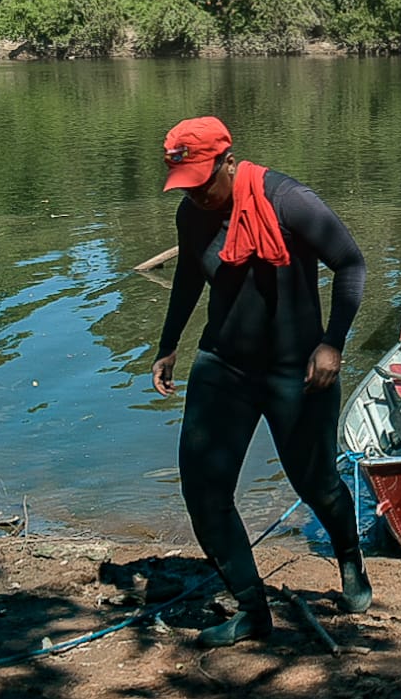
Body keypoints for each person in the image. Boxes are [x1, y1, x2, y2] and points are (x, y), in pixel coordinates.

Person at [150, 116, 371, 647]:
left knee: (314, 481)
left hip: (299, 369)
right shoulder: (192, 215)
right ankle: (251, 609)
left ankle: (349, 557)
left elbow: (351, 264)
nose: (198, 195)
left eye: (204, 181)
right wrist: (168, 343)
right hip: (224, 362)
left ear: (229, 161)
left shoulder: (288, 201)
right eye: (187, 186)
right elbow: (187, 276)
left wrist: (332, 344)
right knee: (203, 488)